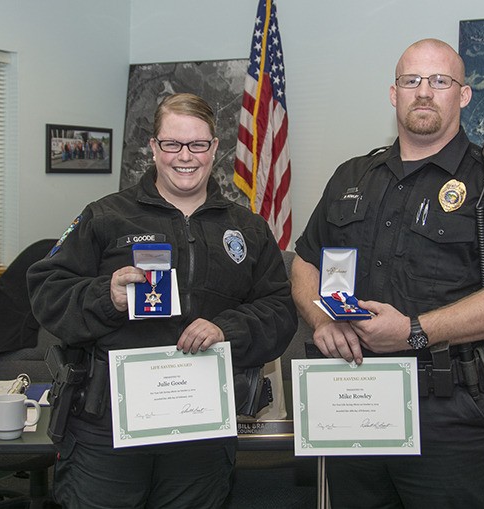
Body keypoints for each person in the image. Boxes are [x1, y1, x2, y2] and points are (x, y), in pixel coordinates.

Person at [291, 38, 484, 509]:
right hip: (353, 398)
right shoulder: (352, 176)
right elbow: (305, 262)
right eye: (411, 80)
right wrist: (321, 320)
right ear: (393, 93)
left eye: (440, 81)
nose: (423, 91)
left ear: (463, 94)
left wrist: (414, 332)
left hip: (450, 413)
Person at [28, 93, 297, 509]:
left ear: (215, 148)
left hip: (201, 433)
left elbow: (279, 312)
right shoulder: (105, 217)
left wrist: (227, 328)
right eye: (172, 144)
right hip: (106, 430)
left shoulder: (248, 228)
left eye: (197, 145)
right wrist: (106, 296)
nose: (184, 157)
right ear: (153, 147)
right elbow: (47, 290)